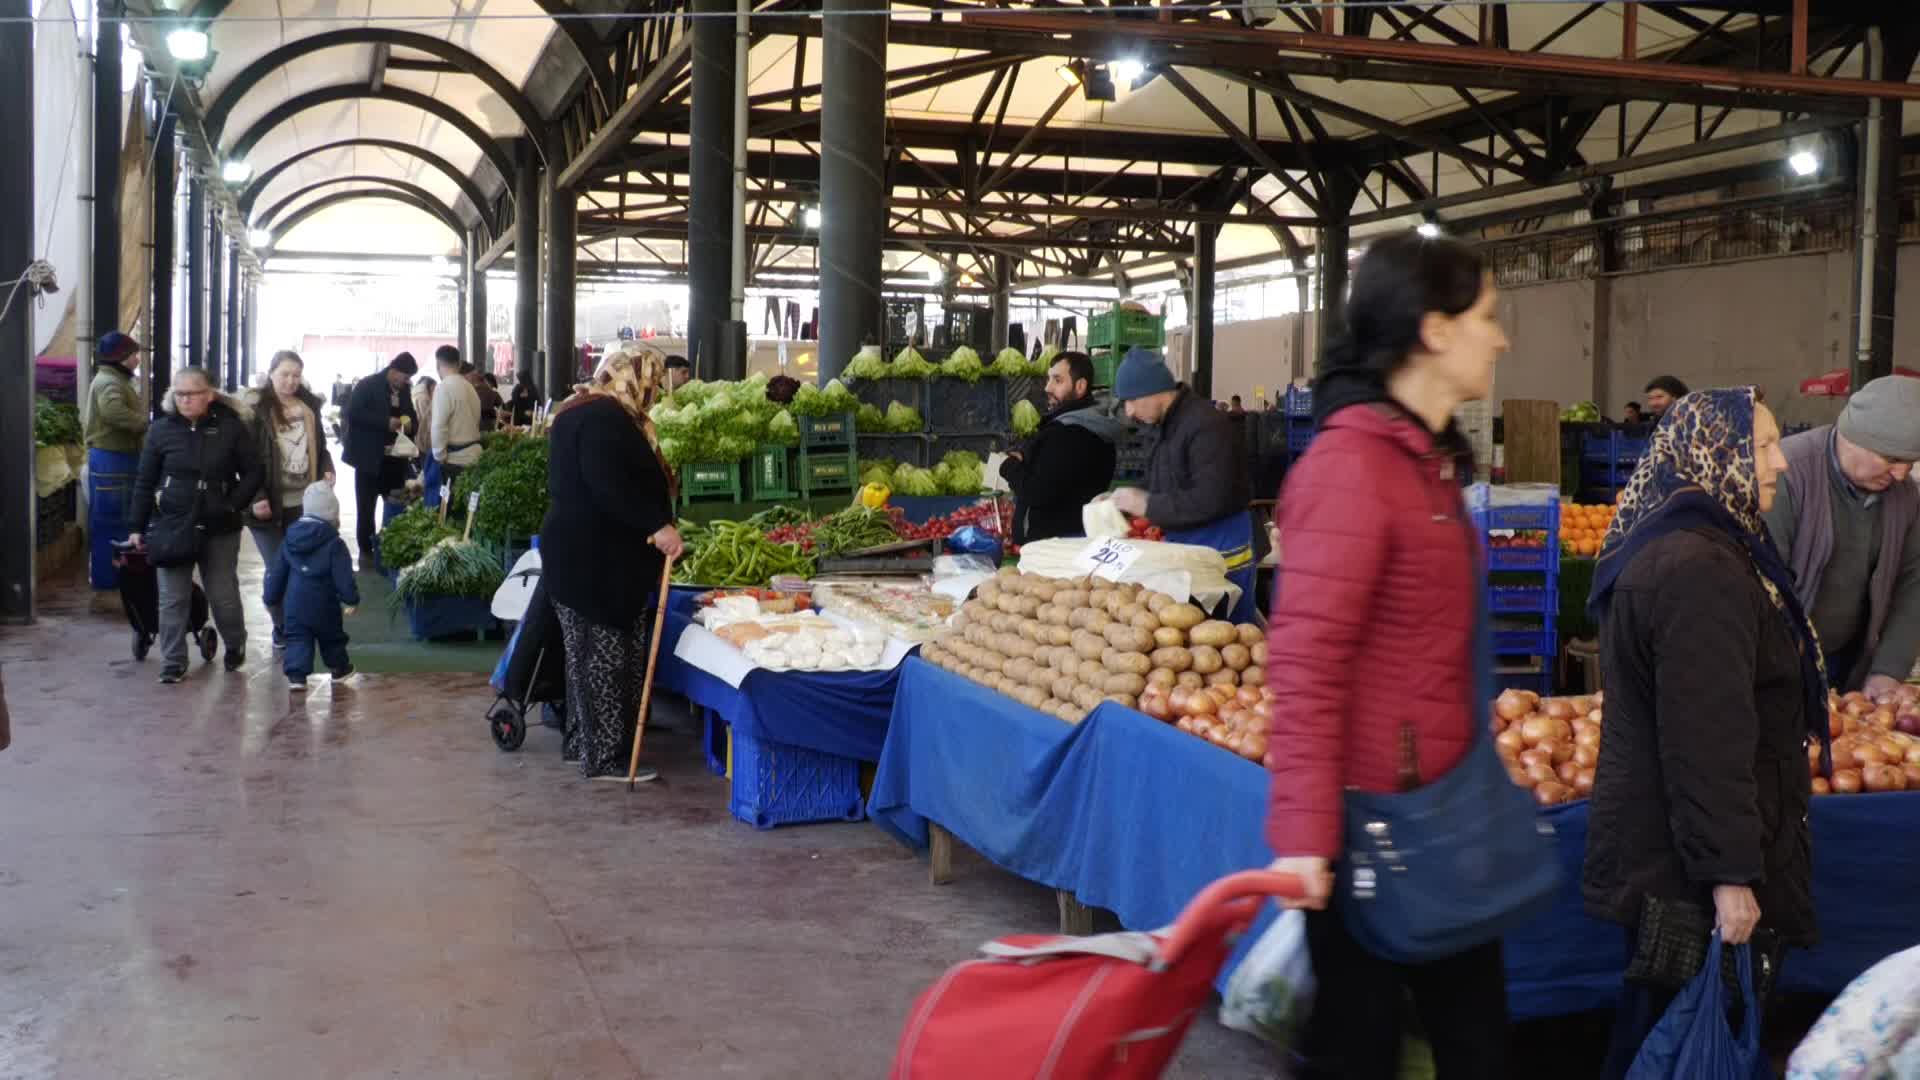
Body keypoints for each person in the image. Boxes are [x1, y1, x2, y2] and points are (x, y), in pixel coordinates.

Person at [1263, 229, 1510, 1080]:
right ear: (1433, 330)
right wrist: (1304, 837)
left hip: (1442, 820)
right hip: (1373, 834)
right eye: (1487, 316)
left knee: (1472, 1044)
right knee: (1359, 1051)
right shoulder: (1353, 470)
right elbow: (1303, 660)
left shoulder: (1426, 466)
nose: (1501, 337)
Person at [1584, 388, 1824, 1080]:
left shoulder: (1690, 545)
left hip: (1665, 851)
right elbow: (1706, 737)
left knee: (1666, 1040)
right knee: (1677, 1045)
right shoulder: (1700, 569)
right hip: (1684, 872)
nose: (1779, 462)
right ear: (1711, 456)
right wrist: (1730, 877)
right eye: (1763, 445)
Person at [541, 347, 683, 780]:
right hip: (596, 562)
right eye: (652, 381)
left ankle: (583, 745)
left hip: (582, 556)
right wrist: (657, 524)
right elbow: (609, 484)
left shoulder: (579, 408)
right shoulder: (605, 418)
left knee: (586, 658)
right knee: (606, 658)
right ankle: (605, 759)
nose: (654, 390)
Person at [1761, 374, 1920, 695]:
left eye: (1911, 461)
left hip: (1851, 657)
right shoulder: (1785, 475)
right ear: (1852, 438)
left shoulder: (1907, 496)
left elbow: (1913, 583)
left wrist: (1888, 670)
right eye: (1891, 459)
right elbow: (1763, 588)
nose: (1902, 473)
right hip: (1779, 660)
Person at [125, 367, 262, 684]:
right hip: (173, 523)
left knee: (222, 592)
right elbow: (145, 482)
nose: (185, 399)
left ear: (209, 394)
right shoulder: (160, 431)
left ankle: (234, 645)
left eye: (192, 393)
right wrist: (136, 526)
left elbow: (254, 472)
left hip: (220, 525)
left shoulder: (232, 428)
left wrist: (231, 505)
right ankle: (172, 662)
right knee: (172, 596)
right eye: (180, 393)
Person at [1106, 347, 1256, 621]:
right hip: (1186, 547)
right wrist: (1119, 499)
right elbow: (1161, 479)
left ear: (1153, 391)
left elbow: (1211, 497)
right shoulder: (1164, 425)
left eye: (1131, 401)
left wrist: (1147, 504)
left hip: (1221, 553)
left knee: (1229, 639)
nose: (1128, 411)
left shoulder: (1206, 425)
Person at [241, 350, 336, 649]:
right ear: (271, 374)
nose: (291, 381)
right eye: (285, 374)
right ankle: (282, 626)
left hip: (303, 502)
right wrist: (256, 496)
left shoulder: (309, 406)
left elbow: (319, 447)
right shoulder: (254, 409)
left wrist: (327, 468)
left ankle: (301, 623)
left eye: (296, 375)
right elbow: (243, 459)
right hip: (265, 503)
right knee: (277, 567)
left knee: (304, 566)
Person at [998, 350, 1122, 544]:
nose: (1047, 387)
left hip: (1052, 545)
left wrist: (1010, 467)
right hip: (1070, 538)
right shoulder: (1092, 425)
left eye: (1057, 380)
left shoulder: (1069, 434)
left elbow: (1036, 493)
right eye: (1049, 380)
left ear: (1080, 386)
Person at [264, 482, 360, 692]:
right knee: (332, 638)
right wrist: (351, 599)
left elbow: (276, 572)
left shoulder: (289, 541)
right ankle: (339, 669)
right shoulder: (335, 544)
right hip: (325, 605)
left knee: (297, 638)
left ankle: (297, 677)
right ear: (332, 514)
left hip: (295, 605)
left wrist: (270, 597)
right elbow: (344, 577)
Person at [84, 331, 153, 589]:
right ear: (120, 357)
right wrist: (144, 424)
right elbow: (112, 412)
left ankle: (113, 577)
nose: (137, 359)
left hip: (114, 460)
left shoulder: (112, 379)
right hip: (113, 461)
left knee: (113, 519)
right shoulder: (109, 382)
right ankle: (110, 579)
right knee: (112, 521)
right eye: (134, 354)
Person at [341, 352, 419, 571]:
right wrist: (386, 422)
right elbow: (352, 413)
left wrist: (411, 423)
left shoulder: (405, 390)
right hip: (368, 459)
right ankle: (366, 551)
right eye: (404, 377)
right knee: (366, 508)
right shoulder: (368, 385)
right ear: (393, 371)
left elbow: (412, 415)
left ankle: (391, 546)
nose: (406, 382)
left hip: (395, 460)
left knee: (395, 504)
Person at [431, 346, 485, 483]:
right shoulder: (470, 387)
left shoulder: (443, 387)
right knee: (469, 503)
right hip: (475, 456)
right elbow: (476, 419)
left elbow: (438, 426)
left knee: (451, 503)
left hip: (455, 461)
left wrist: (439, 455)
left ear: (438, 364)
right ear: (459, 364)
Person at [467, 363, 503, 431]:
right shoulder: (492, 392)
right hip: (489, 424)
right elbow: (501, 407)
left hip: (473, 424)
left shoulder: (470, 391)